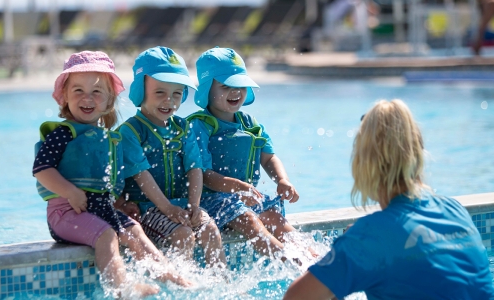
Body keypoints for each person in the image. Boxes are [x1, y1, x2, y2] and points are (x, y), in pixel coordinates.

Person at [284, 99, 494, 300]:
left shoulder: (369, 238)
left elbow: (295, 298)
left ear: (364, 164)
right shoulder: (455, 211)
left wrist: (351, 249)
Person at [33, 51, 190, 297]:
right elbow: (41, 170)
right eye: (78, 91)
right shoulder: (63, 133)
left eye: (96, 92)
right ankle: (122, 288)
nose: (88, 98)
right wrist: (70, 192)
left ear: (108, 101)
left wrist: (121, 203)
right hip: (65, 212)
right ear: (64, 97)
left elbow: (106, 182)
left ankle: (171, 276)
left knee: (135, 231)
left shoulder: (107, 139)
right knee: (107, 236)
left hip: (101, 210)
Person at [187, 47, 314, 261]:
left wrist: (282, 180)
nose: (235, 91)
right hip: (213, 200)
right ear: (207, 89)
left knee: (276, 218)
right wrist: (237, 186)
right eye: (226, 86)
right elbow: (203, 175)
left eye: (240, 85)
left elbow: (268, 156)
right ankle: (294, 264)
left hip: (245, 196)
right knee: (251, 221)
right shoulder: (200, 126)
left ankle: (316, 260)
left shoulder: (250, 124)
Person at [118, 46, 227, 268]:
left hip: (181, 206)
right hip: (147, 209)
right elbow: (141, 175)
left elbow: (195, 168)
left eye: (176, 94)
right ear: (141, 91)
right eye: (160, 92)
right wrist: (167, 209)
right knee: (184, 235)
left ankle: (222, 282)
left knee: (210, 230)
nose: (169, 100)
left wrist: (194, 205)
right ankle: (181, 287)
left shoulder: (183, 127)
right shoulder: (130, 131)